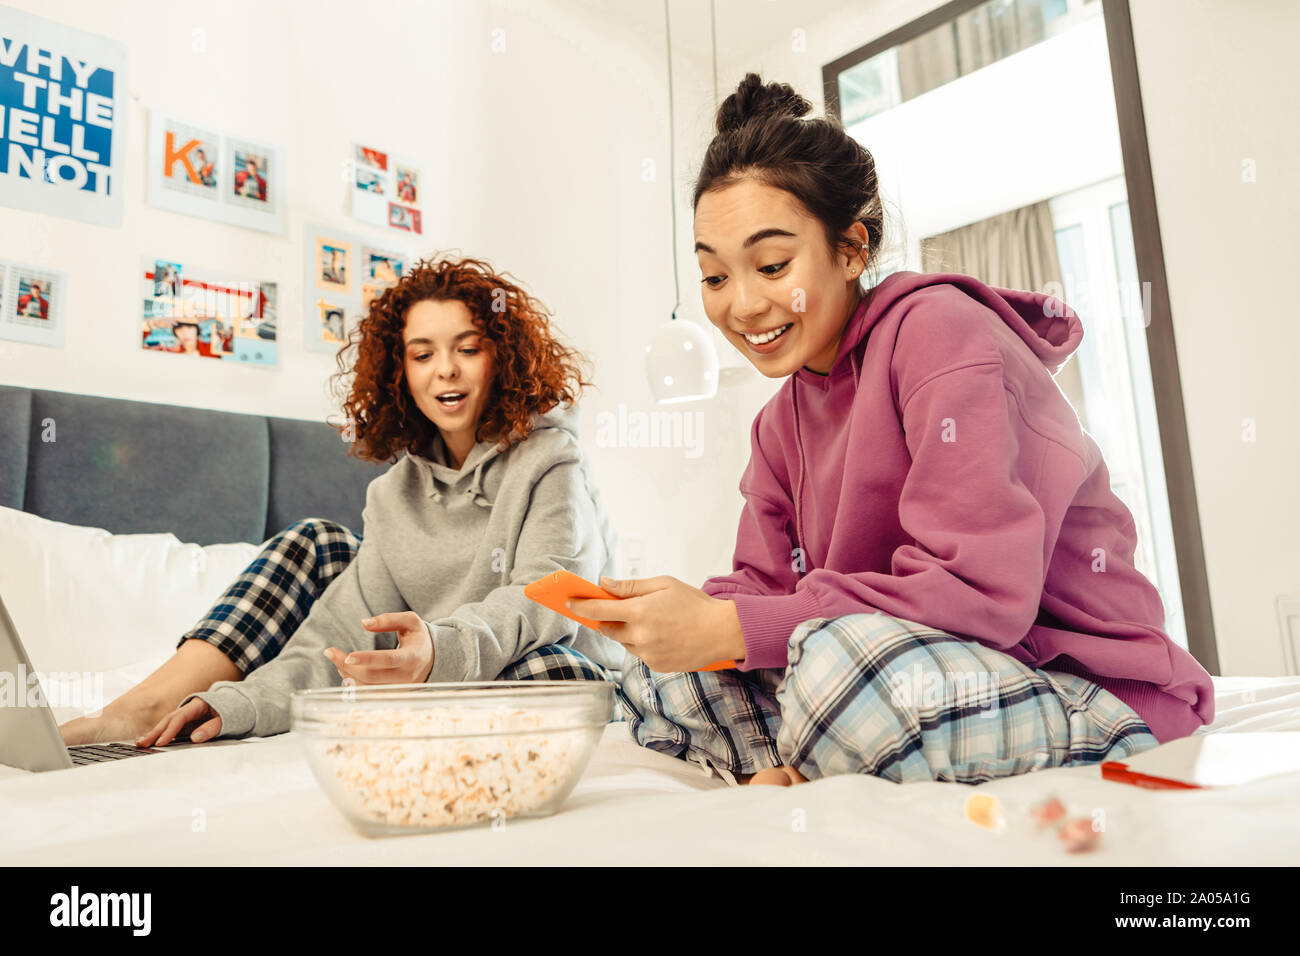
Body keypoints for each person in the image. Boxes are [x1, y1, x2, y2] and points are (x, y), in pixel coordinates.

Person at [570, 74, 1214, 788]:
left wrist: (734, 630)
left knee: (840, 669)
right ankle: (807, 764)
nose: (743, 304)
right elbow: (761, 585)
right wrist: (686, 618)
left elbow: (976, 591)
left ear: (851, 248)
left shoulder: (940, 333)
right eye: (715, 276)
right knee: (666, 682)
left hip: (1078, 683)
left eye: (772, 265)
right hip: (910, 666)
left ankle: (812, 756)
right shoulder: (777, 425)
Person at [61, 254, 625, 746]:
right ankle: (143, 705)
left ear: (500, 357)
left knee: (547, 669)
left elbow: (549, 601)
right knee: (315, 543)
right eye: (422, 354)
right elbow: (334, 640)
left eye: (468, 348)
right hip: (435, 675)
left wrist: (438, 650)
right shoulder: (392, 494)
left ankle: (425, 718)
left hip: (542, 662)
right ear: (399, 372)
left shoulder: (552, 460)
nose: (445, 369)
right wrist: (242, 704)